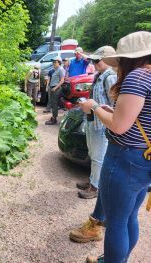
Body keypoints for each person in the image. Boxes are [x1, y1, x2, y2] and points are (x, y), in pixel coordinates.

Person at [78, 31, 151, 263]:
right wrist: (111, 112)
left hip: (124, 157)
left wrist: (94, 108)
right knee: (130, 217)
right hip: (144, 156)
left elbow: (119, 126)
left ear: (129, 58)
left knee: (116, 221)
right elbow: (137, 118)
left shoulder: (138, 77)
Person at [75, 46, 117, 200]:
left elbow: (114, 105)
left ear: (108, 60)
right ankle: (93, 180)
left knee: (98, 156)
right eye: (94, 60)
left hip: (101, 124)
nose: (95, 63)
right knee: (93, 154)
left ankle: (95, 187)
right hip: (93, 121)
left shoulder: (109, 77)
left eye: (98, 60)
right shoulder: (99, 75)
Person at [45, 56, 65, 125]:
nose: (54, 63)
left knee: (54, 104)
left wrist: (55, 88)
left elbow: (62, 81)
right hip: (52, 88)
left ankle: (54, 119)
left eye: (55, 62)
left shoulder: (61, 69)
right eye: (53, 62)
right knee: (53, 103)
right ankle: (53, 117)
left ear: (59, 62)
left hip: (56, 89)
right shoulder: (55, 69)